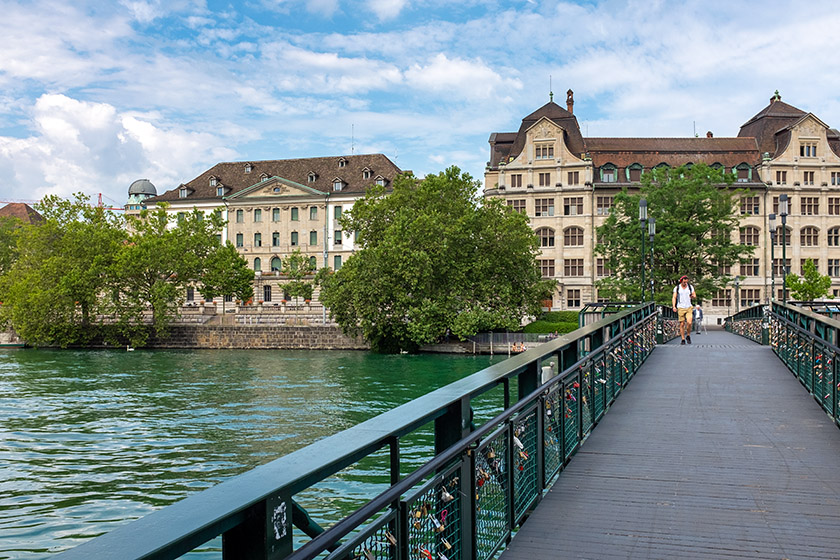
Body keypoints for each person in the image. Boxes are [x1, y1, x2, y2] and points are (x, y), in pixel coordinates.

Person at [672, 275, 696, 345]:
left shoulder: (690, 287)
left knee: (689, 322)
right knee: (682, 324)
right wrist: (674, 306)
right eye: (684, 282)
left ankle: (688, 335)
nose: (685, 283)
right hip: (680, 307)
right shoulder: (677, 288)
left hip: (689, 307)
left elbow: (694, 295)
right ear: (681, 281)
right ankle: (683, 338)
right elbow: (674, 297)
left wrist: (693, 296)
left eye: (686, 281)